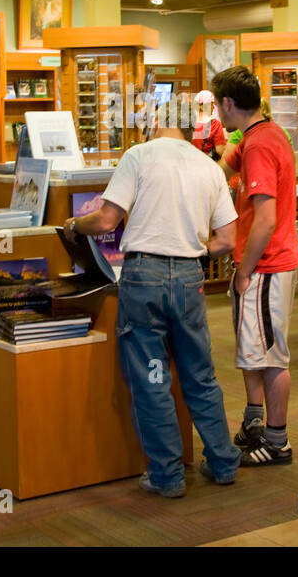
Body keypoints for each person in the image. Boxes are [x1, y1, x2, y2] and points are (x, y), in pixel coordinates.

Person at [64, 99, 240, 498]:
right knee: (200, 375)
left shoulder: (138, 156)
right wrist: (192, 251)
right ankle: (223, 462)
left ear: (155, 121)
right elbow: (228, 239)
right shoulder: (208, 167)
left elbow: (107, 220)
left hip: (144, 276)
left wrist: (75, 224)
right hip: (191, 280)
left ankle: (166, 475)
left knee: (152, 377)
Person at [210, 65, 298, 466]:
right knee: (252, 349)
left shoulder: (260, 145)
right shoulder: (257, 136)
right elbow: (219, 172)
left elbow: (265, 218)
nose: (216, 112)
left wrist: (244, 270)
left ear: (229, 103)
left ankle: (277, 441)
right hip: (260, 262)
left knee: (270, 353)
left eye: (217, 105)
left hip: (265, 264)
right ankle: (254, 421)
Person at [191, 89, 226, 161]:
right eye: (212, 103)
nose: (214, 106)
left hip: (189, 162)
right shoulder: (214, 124)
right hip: (206, 163)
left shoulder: (189, 120)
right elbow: (220, 150)